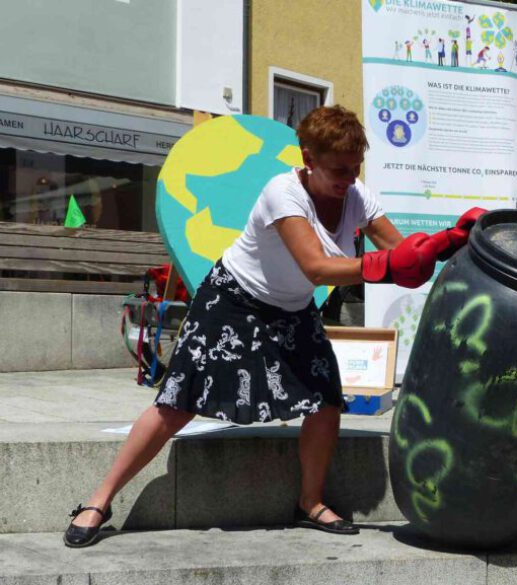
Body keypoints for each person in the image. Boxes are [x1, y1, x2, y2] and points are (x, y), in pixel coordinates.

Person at [64, 105, 484, 548]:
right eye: (339, 168)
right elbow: (317, 268)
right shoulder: (281, 192)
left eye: (356, 166)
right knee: (177, 403)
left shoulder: (356, 195)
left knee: (325, 400)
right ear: (308, 157)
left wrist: (447, 242)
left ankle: (311, 502)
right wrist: (391, 265)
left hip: (291, 309)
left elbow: (403, 256)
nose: (349, 177)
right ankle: (99, 500)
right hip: (232, 300)